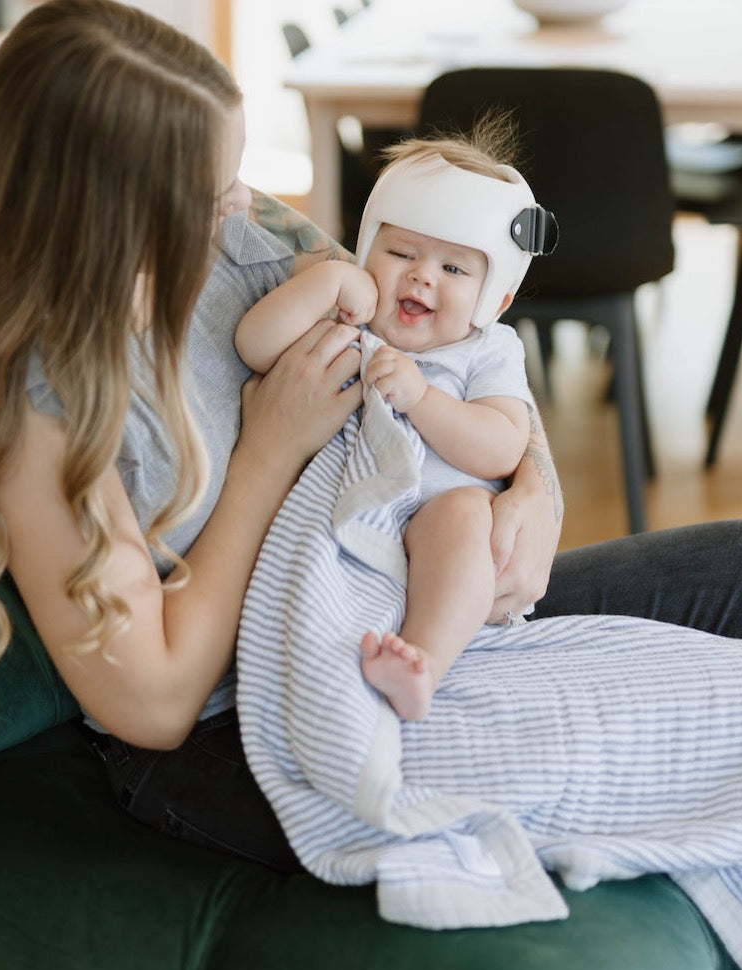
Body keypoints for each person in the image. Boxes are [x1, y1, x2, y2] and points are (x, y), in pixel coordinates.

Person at [0, 0, 742, 880]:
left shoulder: (234, 230)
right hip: (250, 714)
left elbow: (438, 337)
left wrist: (535, 487)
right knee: (715, 734)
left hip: (398, 594)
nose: (244, 201)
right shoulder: (37, 405)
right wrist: (266, 453)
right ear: (109, 212)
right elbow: (153, 701)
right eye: (210, 189)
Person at [235, 130, 558, 720]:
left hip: (439, 515)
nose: (421, 277)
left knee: (465, 517)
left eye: (454, 266)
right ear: (365, 248)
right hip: (346, 519)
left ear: (496, 299)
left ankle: (422, 663)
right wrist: (328, 284)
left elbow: (503, 446)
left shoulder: (488, 351)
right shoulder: (351, 317)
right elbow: (255, 348)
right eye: (402, 253)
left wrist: (422, 399)